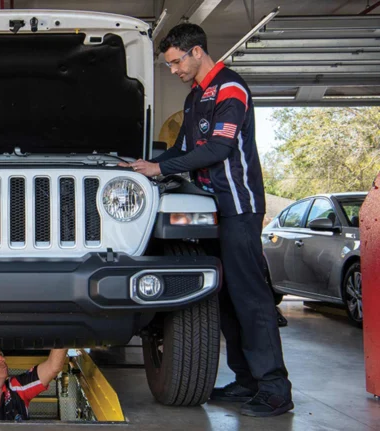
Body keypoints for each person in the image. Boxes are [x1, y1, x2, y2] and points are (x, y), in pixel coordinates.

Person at [123, 24, 293, 417]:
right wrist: (140, 166)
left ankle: (275, 388)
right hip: (210, 208)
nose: (173, 70)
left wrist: (158, 170)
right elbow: (182, 148)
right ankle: (245, 380)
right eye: (168, 65)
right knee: (227, 297)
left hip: (238, 205)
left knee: (252, 298)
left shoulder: (230, 88)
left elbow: (219, 147)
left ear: (196, 51)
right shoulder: (195, 98)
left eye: (176, 62)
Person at [0, 349, 68, 421]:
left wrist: (65, 322)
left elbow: (53, 367)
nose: (3, 359)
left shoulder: (16, 387)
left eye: (1, 354)